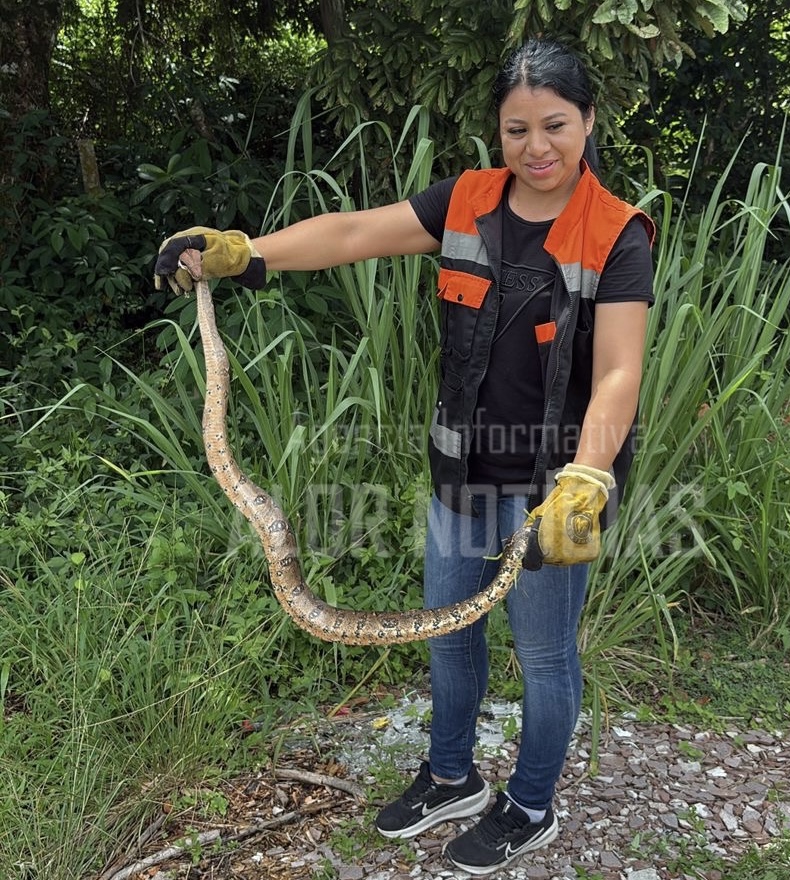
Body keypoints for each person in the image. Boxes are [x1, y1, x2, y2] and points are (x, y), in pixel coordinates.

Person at [155, 38, 654, 876]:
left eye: (556, 126)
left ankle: (530, 805)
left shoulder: (617, 232)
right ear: (498, 132)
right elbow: (352, 231)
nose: (537, 148)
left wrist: (588, 479)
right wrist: (246, 250)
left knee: (544, 654)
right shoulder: (466, 201)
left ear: (589, 121)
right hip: (460, 474)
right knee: (449, 640)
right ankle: (451, 775)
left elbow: (618, 370)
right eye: (517, 128)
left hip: (552, 489)